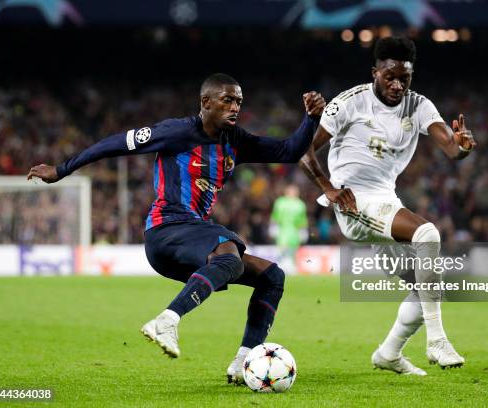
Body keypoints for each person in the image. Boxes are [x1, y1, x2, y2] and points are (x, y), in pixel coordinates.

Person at [27, 73, 325, 384]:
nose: (234, 107)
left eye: (238, 101)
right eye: (227, 100)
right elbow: (115, 144)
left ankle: (241, 364)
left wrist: (311, 119)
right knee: (229, 252)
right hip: (166, 229)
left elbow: (288, 152)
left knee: (271, 276)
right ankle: (167, 321)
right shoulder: (176, 131)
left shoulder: (235, 140)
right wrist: (62, 169)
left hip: (191, 235)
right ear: (205, 102)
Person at [300, 36, 476, 375]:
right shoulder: (349, 102)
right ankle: (438, 341)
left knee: (430, 286)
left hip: (385, 200)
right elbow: (303, 150)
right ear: (375, 73)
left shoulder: (418, 105)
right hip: (352, 201)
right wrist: (329, 189)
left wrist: (463, 147)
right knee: (427, 233)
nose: (397, 85)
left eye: (404, 78)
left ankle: (389, 353)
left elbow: (451, 148)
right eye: (389, 77)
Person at [270, 184, 308, 270]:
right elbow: (275, 216)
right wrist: (273, 227)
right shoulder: (280, 202)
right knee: (282, 248)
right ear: (286, 192)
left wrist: (303, 231)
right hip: (282, 230)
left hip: (294, 231)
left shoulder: (300, 204)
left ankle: (291, 265)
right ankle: (281, 266)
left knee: (293, 249)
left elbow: (303, 219)